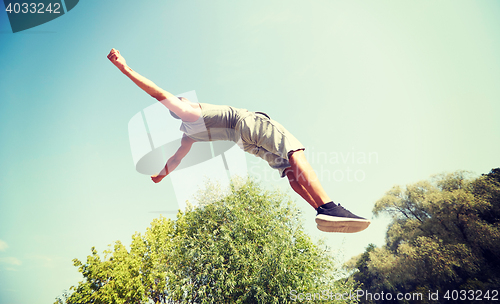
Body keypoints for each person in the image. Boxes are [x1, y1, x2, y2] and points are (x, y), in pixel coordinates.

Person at [107, 48, 370, 233]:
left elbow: (177, 159)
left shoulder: (188, 134)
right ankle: (329, 206)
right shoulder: (189, 111)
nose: (183, 100)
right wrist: (124, 67)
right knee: (295, 153)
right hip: (248, 124)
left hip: (245, 144)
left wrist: (161, 175)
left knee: (290, 171)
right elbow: (158, 93)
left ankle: (319, 210)